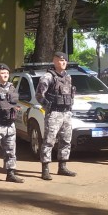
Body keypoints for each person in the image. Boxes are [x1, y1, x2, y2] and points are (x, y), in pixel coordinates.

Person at [36, 51, 76, 180]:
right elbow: (39, 95)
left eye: (65, 61)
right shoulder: (48, 77)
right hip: (54, 113)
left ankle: (62, 167)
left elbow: (71, 94)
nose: (63, 62)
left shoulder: (68, 77)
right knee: (49, 141)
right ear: (54, 61)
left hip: (66, 113)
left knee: (66, 141)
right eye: (60, 60)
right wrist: (48, 107)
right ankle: (45, 169)